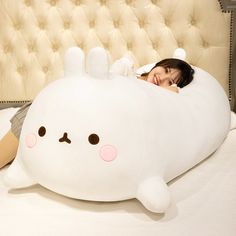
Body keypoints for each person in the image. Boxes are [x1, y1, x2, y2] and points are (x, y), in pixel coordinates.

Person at [0, 58, 194, 169]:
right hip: (80, 105)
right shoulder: (127, 70)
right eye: (166, 70)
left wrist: (170, 90)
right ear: (157, 64)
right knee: (38, 117)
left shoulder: (155, 96)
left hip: (96, 127)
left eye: (170, 80)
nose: (163, 79)